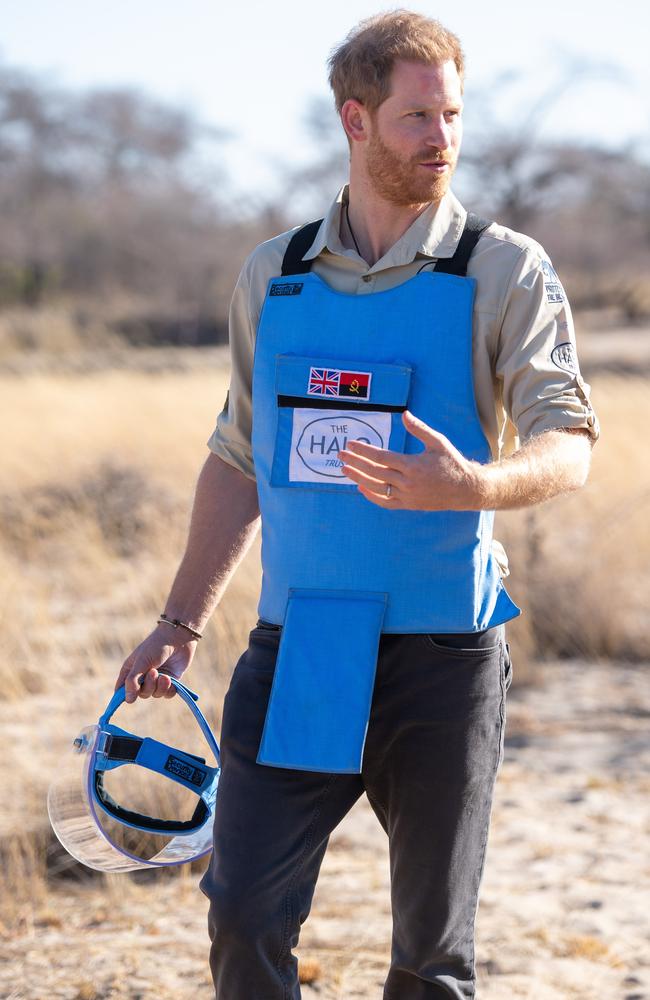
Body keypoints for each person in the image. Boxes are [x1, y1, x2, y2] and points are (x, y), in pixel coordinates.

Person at [114, 10, 599, 998]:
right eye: (416, 117)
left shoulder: (502, 269)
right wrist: (177, 620)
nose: (441, 139)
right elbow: (239, 459)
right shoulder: (275, 276)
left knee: (430, 958)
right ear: (355, 118)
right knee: (241, 915)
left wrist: (477, 486)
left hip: (441, 660)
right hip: (299, 651)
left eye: (451, 116)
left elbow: (569, 443)